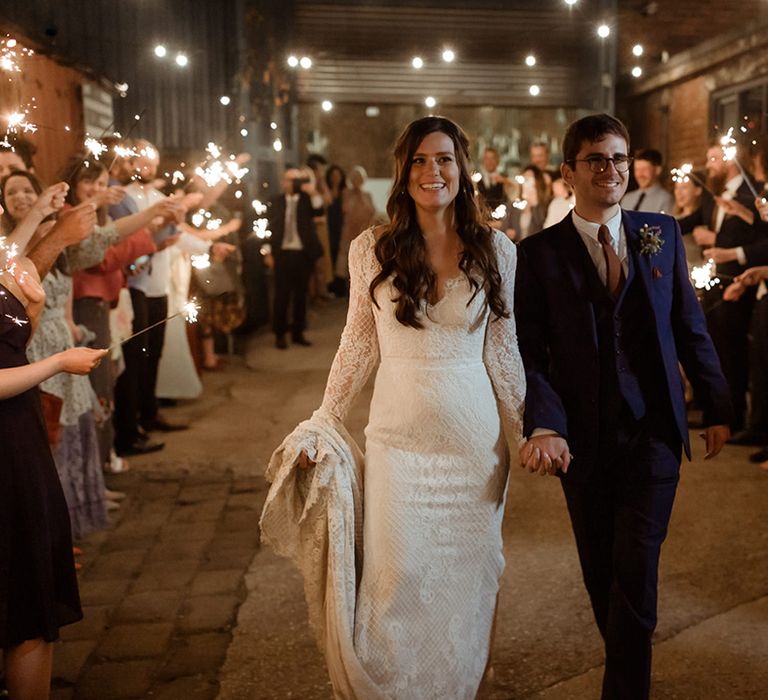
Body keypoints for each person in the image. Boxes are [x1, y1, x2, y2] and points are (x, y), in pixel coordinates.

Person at [263, 116, 525, 697]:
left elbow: (503, 350)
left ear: (463, 169)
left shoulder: (497, 248)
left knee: (473, 574)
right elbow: (358, 339)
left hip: (474, 447)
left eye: (446, 160)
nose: (434, 172)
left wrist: (525, 432)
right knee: (395, 575)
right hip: (397, 443)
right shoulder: (372, 248)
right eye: (421, 161)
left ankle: (461, 686)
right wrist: (326, 420)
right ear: (403, 174)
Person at [514, 113, 732, 700]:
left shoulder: (658, 231)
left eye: (617, 158)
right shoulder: (536, 256)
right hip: (582, 443)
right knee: (601, 575)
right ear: (568, 172)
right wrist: (546, 423)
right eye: (595, 160)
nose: (610, 169)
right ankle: (626, 666)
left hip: (653, 433)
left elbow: (689, 325)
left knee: (635, 573)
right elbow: (529, 353)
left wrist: (716, 405)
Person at [1, 243, 106, 700]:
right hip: (4, 456)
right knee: (23, 604)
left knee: (26, 585)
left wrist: (36, 308)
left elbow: (10, 354)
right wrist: (60, 362)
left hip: (19, 442)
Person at [268, 167, 324, 349]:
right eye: (289, 179)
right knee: (281, 296)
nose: (292, 183)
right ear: (283, 182)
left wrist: (313, 190)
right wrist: (266, 251)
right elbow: (268, 226)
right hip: (282, 253)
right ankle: (279, 334)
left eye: (296, 180)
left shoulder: (307, 200)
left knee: (302, 295)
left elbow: (319, 211)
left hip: (303, 253)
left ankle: (298, 332)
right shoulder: (276, 201)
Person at [333, 165, 376, 282]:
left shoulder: (367, 195)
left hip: (364, 231)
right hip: (348, 231)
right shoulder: (346, 193)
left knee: (363, 260)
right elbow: (344, 209)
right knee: (347, 260)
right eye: (355, 178)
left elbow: (372, 213)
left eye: (359, 178)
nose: (357, 181)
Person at [621, 148, 675, 213]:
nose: (640, 174)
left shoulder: (666, 200)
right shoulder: (627, 199)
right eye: (637, 169)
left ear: (657, 170)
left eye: (644, 169)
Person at [476, 146, 509, 212]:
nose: (489, 162)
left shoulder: (504, 179)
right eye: (487, 158)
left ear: (497, 160)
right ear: (483, 161)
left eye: (492, 158)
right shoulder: (477, 180)